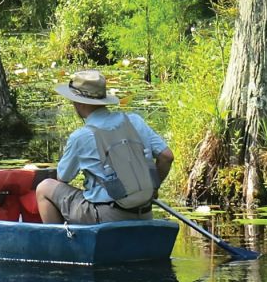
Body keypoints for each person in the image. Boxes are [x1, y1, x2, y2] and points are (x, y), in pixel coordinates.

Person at [35, 69, 173, 224]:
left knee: (44, 188)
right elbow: (166, 156)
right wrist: (153, 188)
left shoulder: (81, 136)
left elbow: (63, 178)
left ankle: (60, 245)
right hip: (145, 212)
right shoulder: (135, 121)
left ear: (79, 102)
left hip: (106, 218)